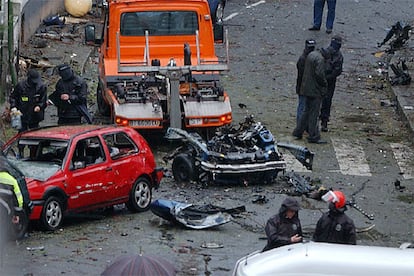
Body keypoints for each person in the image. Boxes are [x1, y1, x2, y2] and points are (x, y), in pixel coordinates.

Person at [292, 47, 329, 144]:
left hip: (306, 88)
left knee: (306, 112)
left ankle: (298, 131)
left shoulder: (311, 55)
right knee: (314, 113)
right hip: (315, 91)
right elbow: (320, 74)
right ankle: (313, 135)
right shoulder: (320, 60)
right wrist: (324, 84)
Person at [320, 35, 343, 132]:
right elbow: (337, 71)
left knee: (324, 101)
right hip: (327, 81)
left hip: (325, 80)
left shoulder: (326, 52)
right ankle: (323, 121)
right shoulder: (337, 56)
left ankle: (322, 121)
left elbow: (337, 71)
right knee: (325, 101)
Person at [296, 39, 316, 126]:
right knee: (303, 107)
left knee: (305, 107)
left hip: (306, 88)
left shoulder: (307, 58)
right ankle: (300, 126)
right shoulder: (303, 59)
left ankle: (302, 126)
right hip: (303, 88)